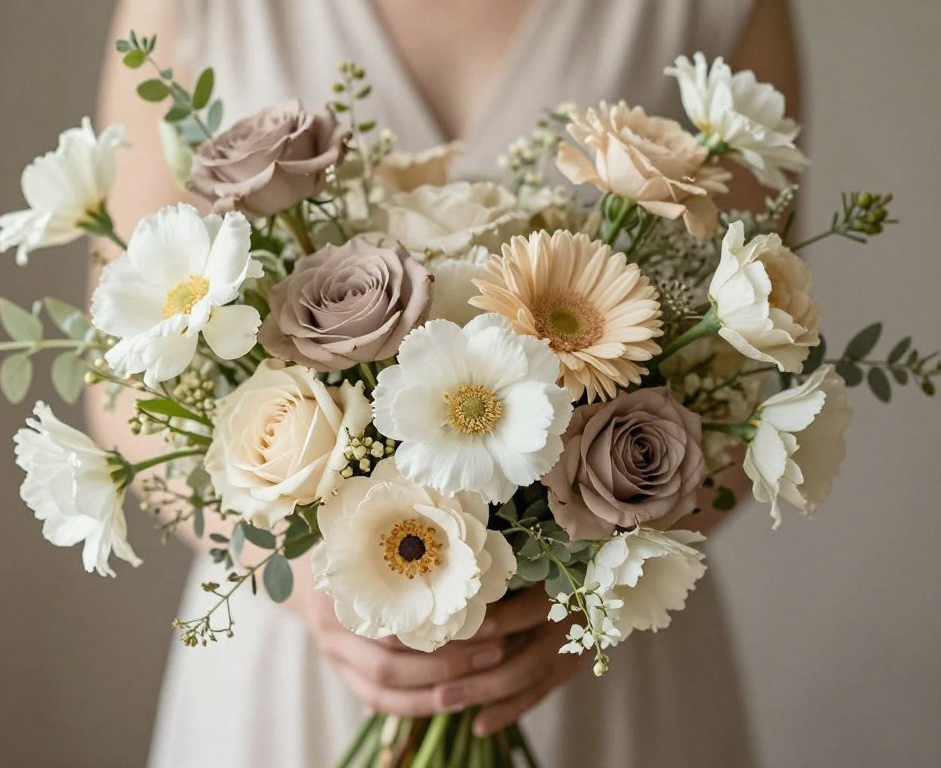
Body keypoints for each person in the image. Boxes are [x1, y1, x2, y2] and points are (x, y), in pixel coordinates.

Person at [92, 1, 799, 765]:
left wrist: (592, 600)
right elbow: (122, 378)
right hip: (305, 640)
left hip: (601, 638)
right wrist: (307, 582)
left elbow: (759, 347)